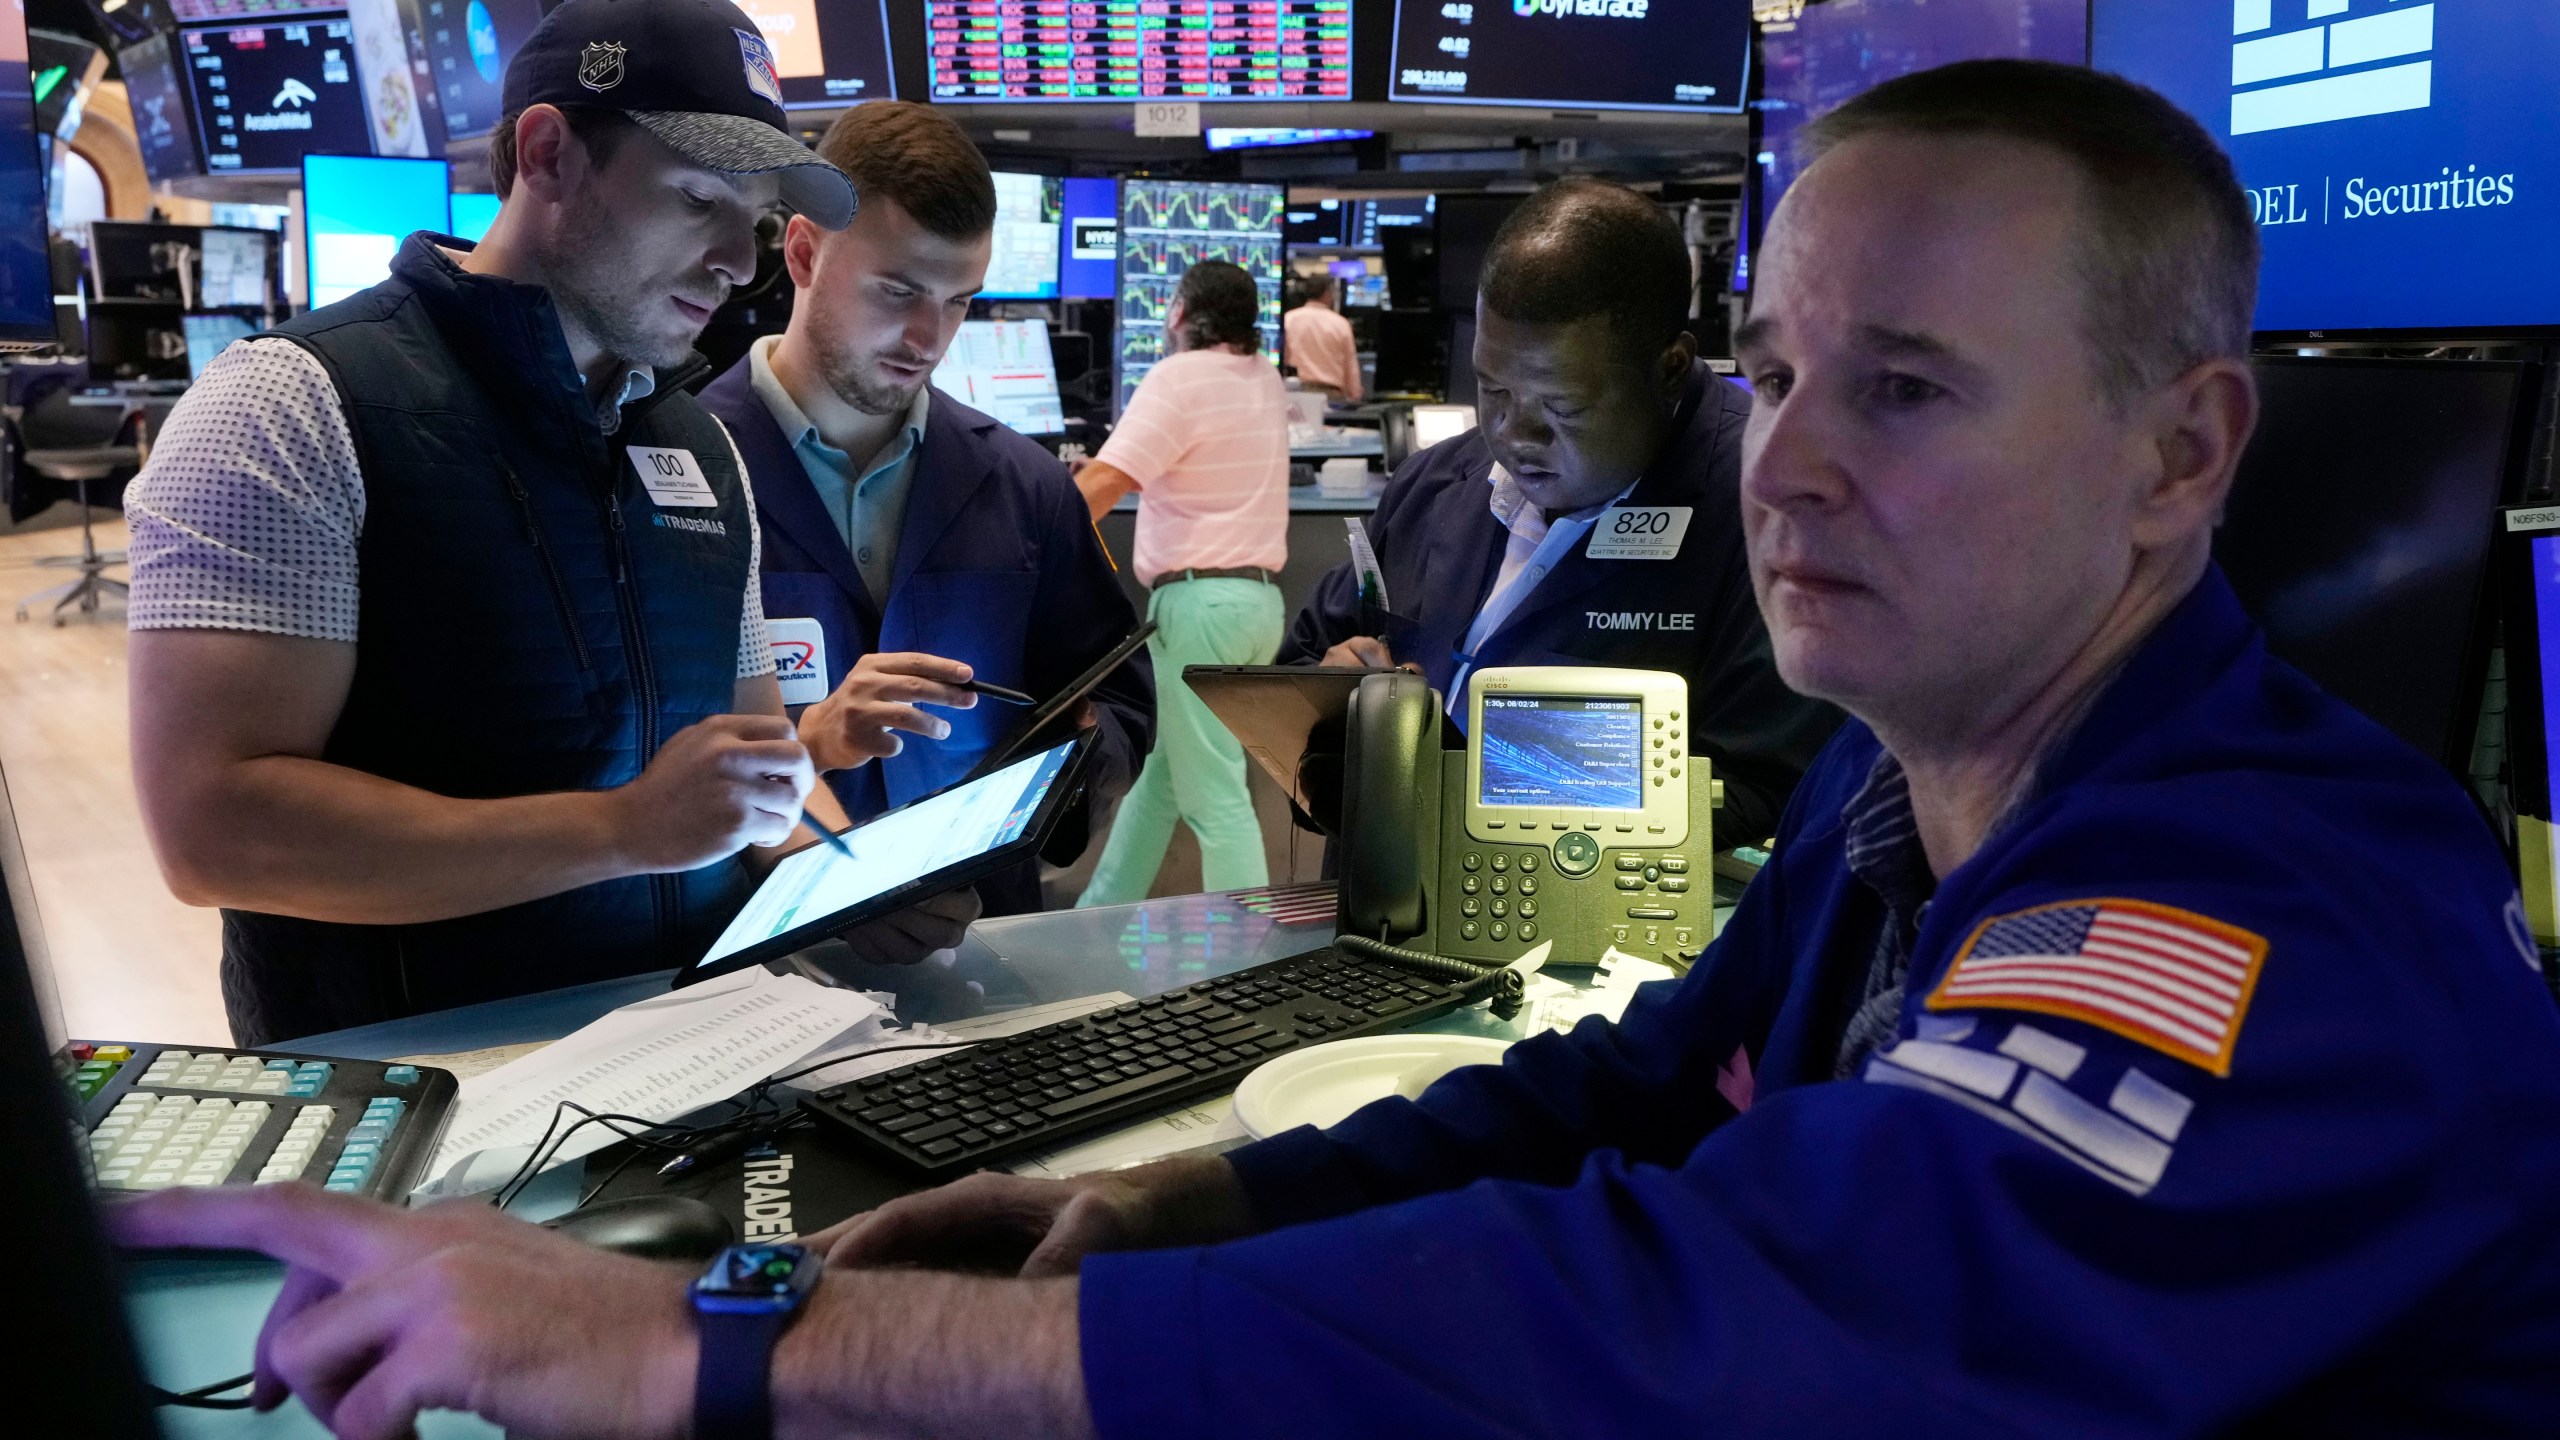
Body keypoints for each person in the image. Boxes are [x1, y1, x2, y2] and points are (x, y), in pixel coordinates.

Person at [115, 60, 2560, 1436]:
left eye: (1904, 390)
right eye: (1785, 369)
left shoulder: (2255, 913)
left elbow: (1688, 1327)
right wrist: (1200, 1206)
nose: (1788, 462)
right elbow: (1605, 1099)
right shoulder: (1894, 793)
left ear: (2177, 448)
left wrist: (713, 1340)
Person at [116, 0, 967, 1048]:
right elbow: (214, 831)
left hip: (692, 1062)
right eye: (699, 198)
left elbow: (747, 782)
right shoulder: (294, 406)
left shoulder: (702, 451)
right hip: (422, 1098)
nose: (736, 264)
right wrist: (619, 830)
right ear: (549, 152)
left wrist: (840, 884)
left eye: (750, 222)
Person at [694, 101, 1153, 918]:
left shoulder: (1025, 486)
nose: (927, 336)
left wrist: (1073, 754)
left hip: (980, 943)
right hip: (749, 964)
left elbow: (1120, 703)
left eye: (958, 301)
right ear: (802, 252)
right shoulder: (681, 473)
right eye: (898, 290)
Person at [1282, 179, 1834, 845]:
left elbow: (1772, 794)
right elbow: (1303, 670)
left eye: (1561, 408)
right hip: (1379, 925)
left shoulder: (1774, 516)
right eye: (1493, 389)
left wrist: (1456, 776)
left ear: (1670, 369)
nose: (1515, 434)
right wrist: (1338, 704)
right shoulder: (1437, 482)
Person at [1070, 261, 1291, 905]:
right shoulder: (1265, 377)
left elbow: (1103, 488)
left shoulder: (1177, 377)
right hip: (1253, 607)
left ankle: (1247, 961)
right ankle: (1095, 919)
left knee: (1216, 798)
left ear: (1178, 314)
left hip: (1198, 608)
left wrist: (1038, 539)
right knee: (1162, 780)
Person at [1281, 270, 1362, 402]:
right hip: (1331, 396)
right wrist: (1354, 394)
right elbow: (1350, 365)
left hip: (1294, 393)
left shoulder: (1288, 319)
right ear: (1327, 294)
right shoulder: (1340, 324)